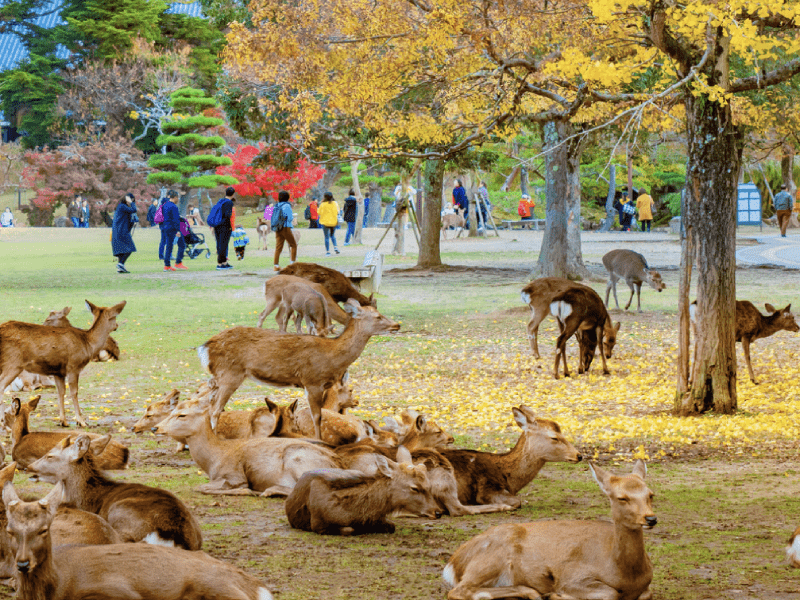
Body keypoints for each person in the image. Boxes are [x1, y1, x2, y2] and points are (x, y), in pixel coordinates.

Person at [271, 190, 298, 270]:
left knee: (278, 246)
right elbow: (289, 217)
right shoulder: (286, 206)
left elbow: (270, 216)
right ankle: (292, 265)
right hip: (285, 227)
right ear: (287, 198)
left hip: (277, 227)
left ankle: (276, 265)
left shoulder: (276, 206)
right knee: (293, 245)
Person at [111, 193, 137, 273]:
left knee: (121, 251)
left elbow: (129, 219)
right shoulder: (122, 206)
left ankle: (120, 267)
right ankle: (121, 264)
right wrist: (132, 203)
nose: (131, 202)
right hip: (121, 231)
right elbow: (134, 210)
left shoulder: (122, 207)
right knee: (130, 248)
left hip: (119, 231)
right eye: (131, 200)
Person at [161, 190, 187, 271]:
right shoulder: (174, 206)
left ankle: (167, 265)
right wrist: (178, 231)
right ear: (175, 197)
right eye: (177, 198)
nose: (178, 199)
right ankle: (178, 263)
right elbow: (175, 220)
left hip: (166, 227)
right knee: (182, 245)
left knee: (169, 246)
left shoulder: (165, 205)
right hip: (173, 229)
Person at [212, 187, 235, 270]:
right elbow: (227, 215)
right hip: (224, 226)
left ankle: (224, 262)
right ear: (233, 194)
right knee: (223, 245)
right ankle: (220, 264)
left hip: (217, 225)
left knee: (219, 244)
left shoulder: (220, 201)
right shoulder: (229, 203)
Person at [318, 191, 341, 257]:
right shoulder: (335, 203)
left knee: (326, 237)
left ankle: (328, 252)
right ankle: (335, 247)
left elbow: (319, 212)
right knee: (332, 235)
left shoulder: (323, 204)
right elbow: (338, 211)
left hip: (325, 222)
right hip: (333, 222)